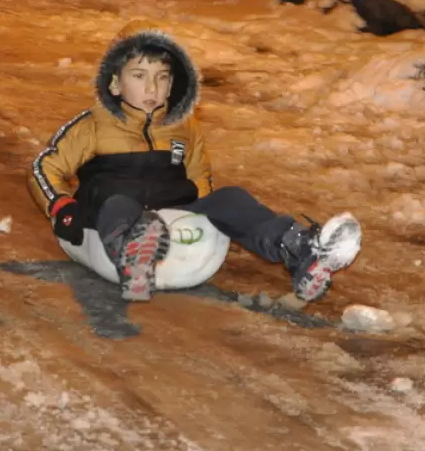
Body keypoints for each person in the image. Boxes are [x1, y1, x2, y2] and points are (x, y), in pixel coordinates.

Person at [27, 23, 362, 303]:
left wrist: (212, 217)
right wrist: (61, 207)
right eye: (139, 75)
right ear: (114, 83)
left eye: (162, 77)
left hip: (169, 219)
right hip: (107, 217)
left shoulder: (184, 129)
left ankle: (301, 249)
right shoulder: (92, 125)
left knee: (230, 198)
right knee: (116, 199)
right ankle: (131, 253)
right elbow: (45, 168)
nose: (152, 87)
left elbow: (199, 177)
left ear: (172, 84)